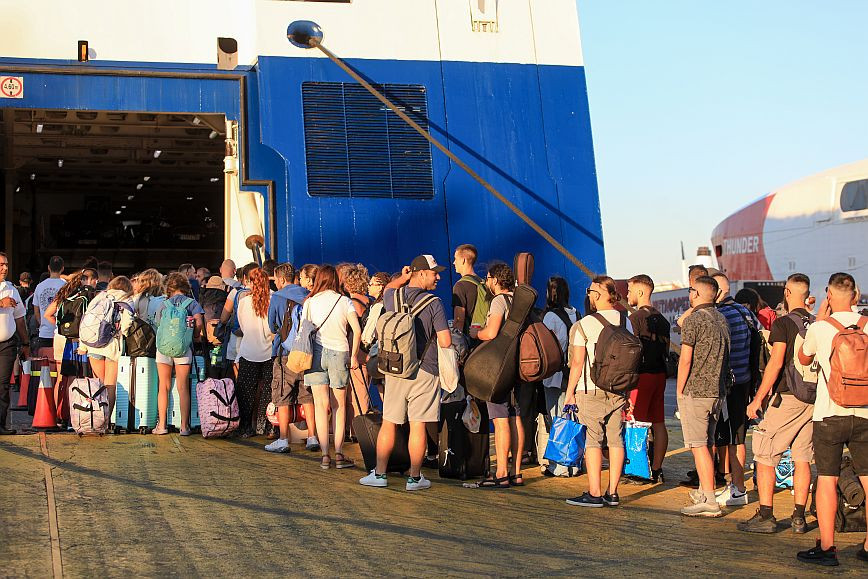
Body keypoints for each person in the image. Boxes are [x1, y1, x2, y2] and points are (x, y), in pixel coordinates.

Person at [359, 255, 450, 490]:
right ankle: (415, 478)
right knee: (418, 425)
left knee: (389, 422)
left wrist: (403, 277)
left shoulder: (393, 296)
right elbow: (445, 341)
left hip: (396, 368)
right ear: (422, 274)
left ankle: (380, 474)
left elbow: (389, 287)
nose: (438, 277)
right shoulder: (434, 303)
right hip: (425, 370)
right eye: (434, 273)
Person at [796, 272, 868, 566]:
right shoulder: (867, 324)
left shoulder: (820, 327)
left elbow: (803, 358)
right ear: (856, 296)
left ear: (828, 295)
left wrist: (820, 318)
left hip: (829, 414)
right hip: (865, 413)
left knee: (827, 478)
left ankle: (827, 548)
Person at [740, 273, 814, 534]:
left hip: (787, 397)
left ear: (787, 293)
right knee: (802, 458)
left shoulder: (783, 323)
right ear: (808, 295)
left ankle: (766, 515)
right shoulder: (816, 323)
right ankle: (799, 517)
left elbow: (776, 363)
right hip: (813, 399)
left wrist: (758, 398)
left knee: (765, 454)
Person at [564, 276, 632, 507]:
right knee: (616, 440)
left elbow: (577, 362)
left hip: (590, 388)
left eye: (590, 292)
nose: (589, 296)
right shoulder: (626, 321)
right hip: (618, 389)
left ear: (598, 295)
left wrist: (570, 392)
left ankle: (594, 493)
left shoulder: (585, 324)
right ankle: (612, 492)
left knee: (593, 441)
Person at [466, 263, 526, 488]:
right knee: (515, 418)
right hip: (518, 367)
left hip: (499, 368)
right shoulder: (520, 301)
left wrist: (476, 333)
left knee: (500, 421)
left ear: (496, 280)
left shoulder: (499, 301)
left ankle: (501, 472)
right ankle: (516, 472)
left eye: (489, 278)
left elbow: (491, 333)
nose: (487, 282)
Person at [675, 276, 730, 517]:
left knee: (698, 446)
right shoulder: (722, 319)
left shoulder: (694, 320)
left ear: (696, 293)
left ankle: (709, 498)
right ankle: (704, 491)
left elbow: (685, 360)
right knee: (707, 443)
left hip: (696, 391)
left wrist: (680, 391)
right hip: (717, 390)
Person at [302, 265, 361, 469]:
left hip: (316, 354)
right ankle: (339, 453)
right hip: (339, 353)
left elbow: (303, 330)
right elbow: (357, 330)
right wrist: (354, 355)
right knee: (339, 406)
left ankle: (325, 455)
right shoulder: (344, 301)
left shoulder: (310, 302)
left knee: (320, 405)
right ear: (335, 279)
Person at [712, 272, 757, 507]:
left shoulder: (722, 315)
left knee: (733, 438)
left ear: (717, 292)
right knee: (738, 435)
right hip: (746, 380)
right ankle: (736, 487)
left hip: (731, 383)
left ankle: (738, 488)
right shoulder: (746, 312)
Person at [626, 274, 670, 483]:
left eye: (630, 290)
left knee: (636, 422)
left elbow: (630, 351)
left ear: (641, 291)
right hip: (660, 374)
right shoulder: (663, 320)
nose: (627, 295)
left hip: (641, 377)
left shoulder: (634, 319)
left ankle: (638, 470)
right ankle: (657, 468)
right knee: (658, 422)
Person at [267, 263, 314, 452]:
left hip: (285, 354)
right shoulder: (308, 295)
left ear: (280, 279)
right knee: (307, 395)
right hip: (307, 352)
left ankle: (283, 439)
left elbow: (272, 325)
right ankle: (312, 437)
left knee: (283, 395)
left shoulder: (277, 297)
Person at [153, 273, 205, 436]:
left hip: (163, 348)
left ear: (169, 288)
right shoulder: (192, 303)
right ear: (185, 287)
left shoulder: (164, 304)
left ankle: (162, 426)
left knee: (164, 386)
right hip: (183, 347)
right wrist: (195, 336)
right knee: (183, 387)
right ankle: (184, 427)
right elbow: (199, 323)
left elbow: (158, 324)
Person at [77, 277, 135, 419]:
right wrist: (124, 332)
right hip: (112, 347)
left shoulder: (100, 296)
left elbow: (86, 320)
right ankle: (106, 420)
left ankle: (96, 419)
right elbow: (126, 325)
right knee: (110, 385)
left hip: (93, 346)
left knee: (99, 384)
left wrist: (83, 346)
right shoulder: (126, 299)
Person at [538, 276, 578, 477]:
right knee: (572, 418)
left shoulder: (550, 317)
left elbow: (544, 347)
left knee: (557, 418)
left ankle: (560, 466)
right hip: (573, 374)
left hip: (554, 375)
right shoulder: (576, 314)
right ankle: (574, 463)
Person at [235, 267, 275, 438]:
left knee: (246, 392)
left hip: (248, 351)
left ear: (250, 282)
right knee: (268, 391)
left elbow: (243, 327)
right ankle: (266, 426)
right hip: (270, 352)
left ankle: (245, 427)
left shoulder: (244, 302)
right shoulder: (274, 299)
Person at [0, 252, 29, 435]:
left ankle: (1, 424)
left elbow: (19, 319)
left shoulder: (11, 289)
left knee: (2, 385)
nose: (5, 268)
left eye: (6, 264)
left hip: (6, 344)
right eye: (1, 265)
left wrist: (26, 343)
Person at [344, 264, 372, 417]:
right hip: (369, 352)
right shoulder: (370, 302)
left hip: (356, 354)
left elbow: (353, 330)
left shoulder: (352, 304)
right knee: (364, 389)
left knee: (357, 394)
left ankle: (359, 425)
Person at [451, 244, 490, 337]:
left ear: (463, 260)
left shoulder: (460, 286)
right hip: (484, 336)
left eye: (455, 259)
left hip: (470, 339)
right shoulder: (483, 282)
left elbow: (459, 321)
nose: (453, 263)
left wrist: (456, 340)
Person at [32, 256, 66, 353]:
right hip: (62, 334)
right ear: (62, 268)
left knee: (45, 361)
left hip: (44, 333)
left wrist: (43, 324)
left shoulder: (39, 286)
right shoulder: (66, 286)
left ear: (48, 268)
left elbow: (36, 312)